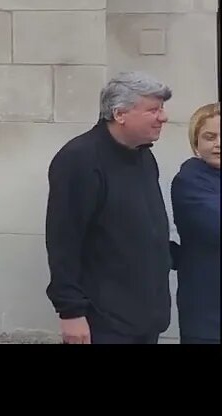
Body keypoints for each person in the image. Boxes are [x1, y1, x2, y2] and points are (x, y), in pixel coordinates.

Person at [44, 71, 173, 345]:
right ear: (120, 114)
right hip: (103, 322)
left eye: (161, 108)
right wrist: (71, 312)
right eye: (153, 109)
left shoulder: (143, 155)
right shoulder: (79, 160)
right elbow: (64, 241)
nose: (163, 117)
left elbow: (141, 232)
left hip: (145, 318)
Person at [170, 102, 219, 345]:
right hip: (208, 313)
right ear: (196, 143)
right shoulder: (190, 181)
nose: (218, 143)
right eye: (210, 137)